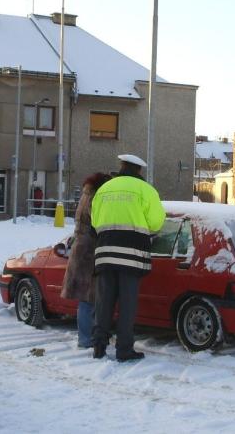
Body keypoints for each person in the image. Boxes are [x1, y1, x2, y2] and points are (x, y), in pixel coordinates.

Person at [91, 154, 165, 362]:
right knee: (127, 304)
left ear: (122, 167)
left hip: (105, 252)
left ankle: (98, 346)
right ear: (139, 170)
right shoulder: (146, 190)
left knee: (103, 302)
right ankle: (124, 350)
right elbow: (156, 222)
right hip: (132, 255)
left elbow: (95, 221)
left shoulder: (104, 189)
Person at [61, 172, 112, 349]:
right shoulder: (95, 198)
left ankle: (86, 337)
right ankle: (85, 339)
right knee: (89, 297)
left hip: (81, 248)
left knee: (86, 296)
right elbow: (98, 223)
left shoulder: (86, 194)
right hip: (90, 249)